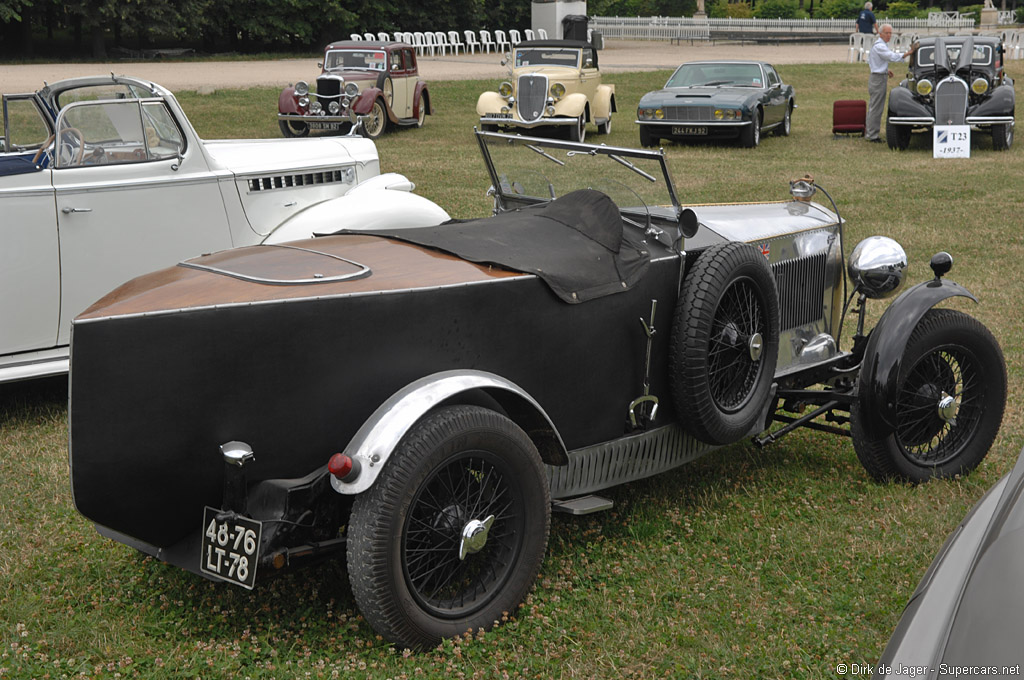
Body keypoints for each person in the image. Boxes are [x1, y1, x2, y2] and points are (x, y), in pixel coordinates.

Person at [865, 24, 917, 143]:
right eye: (887, 33)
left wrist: (885, 70)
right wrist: (909, 53)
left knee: (876, 106)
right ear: (881, 34)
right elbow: (891, 56)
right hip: (877, 79)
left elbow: (874, 60)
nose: (889, 35)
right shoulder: (880, 46)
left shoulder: (881, 45)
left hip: (879, 76)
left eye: (890, 33)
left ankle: (871, 132)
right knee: (876, 107)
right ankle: (872, 135)